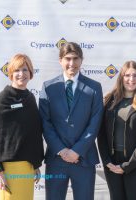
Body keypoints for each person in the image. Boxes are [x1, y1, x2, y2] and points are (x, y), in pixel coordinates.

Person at [39, 42, 103, 200]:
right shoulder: (48, 87)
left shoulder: (94, 87)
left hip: (84, 159)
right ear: (60, 60)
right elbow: (45, 123)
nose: (71, 63)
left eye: (75, 58)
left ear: (81, 60)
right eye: (67, 58)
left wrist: (76, 151)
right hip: (56, 159)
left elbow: (95, 123)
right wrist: (61, 150)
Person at [0, 54, 44, 200]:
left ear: (31, 73)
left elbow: (32, 135)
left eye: (25, 70)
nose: (21, 74)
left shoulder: (30, 98)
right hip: (7, 171)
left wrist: (35, 165)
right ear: (11, 74)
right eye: (17, 70)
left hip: (26, 169)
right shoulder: (2, 99)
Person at [98, 61, 136, 200]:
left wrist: (127, 166)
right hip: (112, 163)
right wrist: (106, 161)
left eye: (135, 75)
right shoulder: (109, 101)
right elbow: (101, 135)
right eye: (127, 75)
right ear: (121, 77)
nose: (131, 79)